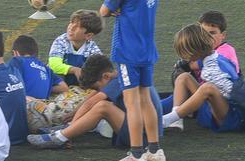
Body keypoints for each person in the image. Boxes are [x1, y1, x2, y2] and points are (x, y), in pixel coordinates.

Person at [99, 0, 164, 161]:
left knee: (132, 102)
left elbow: (105, 10)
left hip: (128, 50)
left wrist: (114, 10)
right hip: (147, 49)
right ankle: (155, 150)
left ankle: (136, 155)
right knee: (146, 99)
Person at [162, 24, 245, 134]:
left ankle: (167, 120)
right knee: (184, 77)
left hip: (232, 118)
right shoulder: (215, 56)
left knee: (207, 88)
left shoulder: (211, 71)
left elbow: (239, 95)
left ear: (192, 53)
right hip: (215, 110)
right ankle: (175, 120)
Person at [26, 53, 162, 150]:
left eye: (97, 86)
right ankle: (64, 131)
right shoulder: (118, 75)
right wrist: (76, 112)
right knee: (100, 103)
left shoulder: (120, 79)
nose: (97, 90)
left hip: (142, 138)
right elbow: (93, 96)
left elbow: (93, 102)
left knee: (103, 107)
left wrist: (71, 126)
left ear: (106, 76)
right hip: (146, 134)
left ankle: (60, 137)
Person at [162, 10, 240, 130]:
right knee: (183, 78)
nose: (208, 37)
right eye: (204, 33)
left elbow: (196, 64)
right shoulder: (206, 56)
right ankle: (174, 118)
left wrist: (186, 62)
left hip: (224, 109)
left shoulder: (225, 50)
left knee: (207, 87)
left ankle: (166, 118)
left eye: (212, 33)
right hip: (205, 103)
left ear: (223, 35)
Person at [48, 9, 104, 86]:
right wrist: (74, 70)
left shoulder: (92, 48)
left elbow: (100, 68)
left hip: (78, 83)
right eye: (72, 22)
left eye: (78, 26)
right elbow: (54, 65)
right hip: (60, 80)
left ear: (88, 35)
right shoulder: (61, 41)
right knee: (56, 75)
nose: (71, 27)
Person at [9, 35, 67, 100]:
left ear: (16, 53)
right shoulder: (46, 68)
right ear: (36, 54)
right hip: (42, 105)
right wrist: (46, 87)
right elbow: (64, 87)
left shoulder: (17, 61)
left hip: (25, 103)